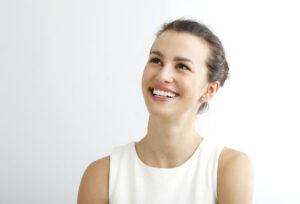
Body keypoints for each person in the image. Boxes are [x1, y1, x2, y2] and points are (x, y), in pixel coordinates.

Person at [77, 19, 254, 204]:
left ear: (209, 90)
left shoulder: (228, 168)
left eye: (182, 66)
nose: (162, 75)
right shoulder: (101, 175)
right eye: (156, 60)